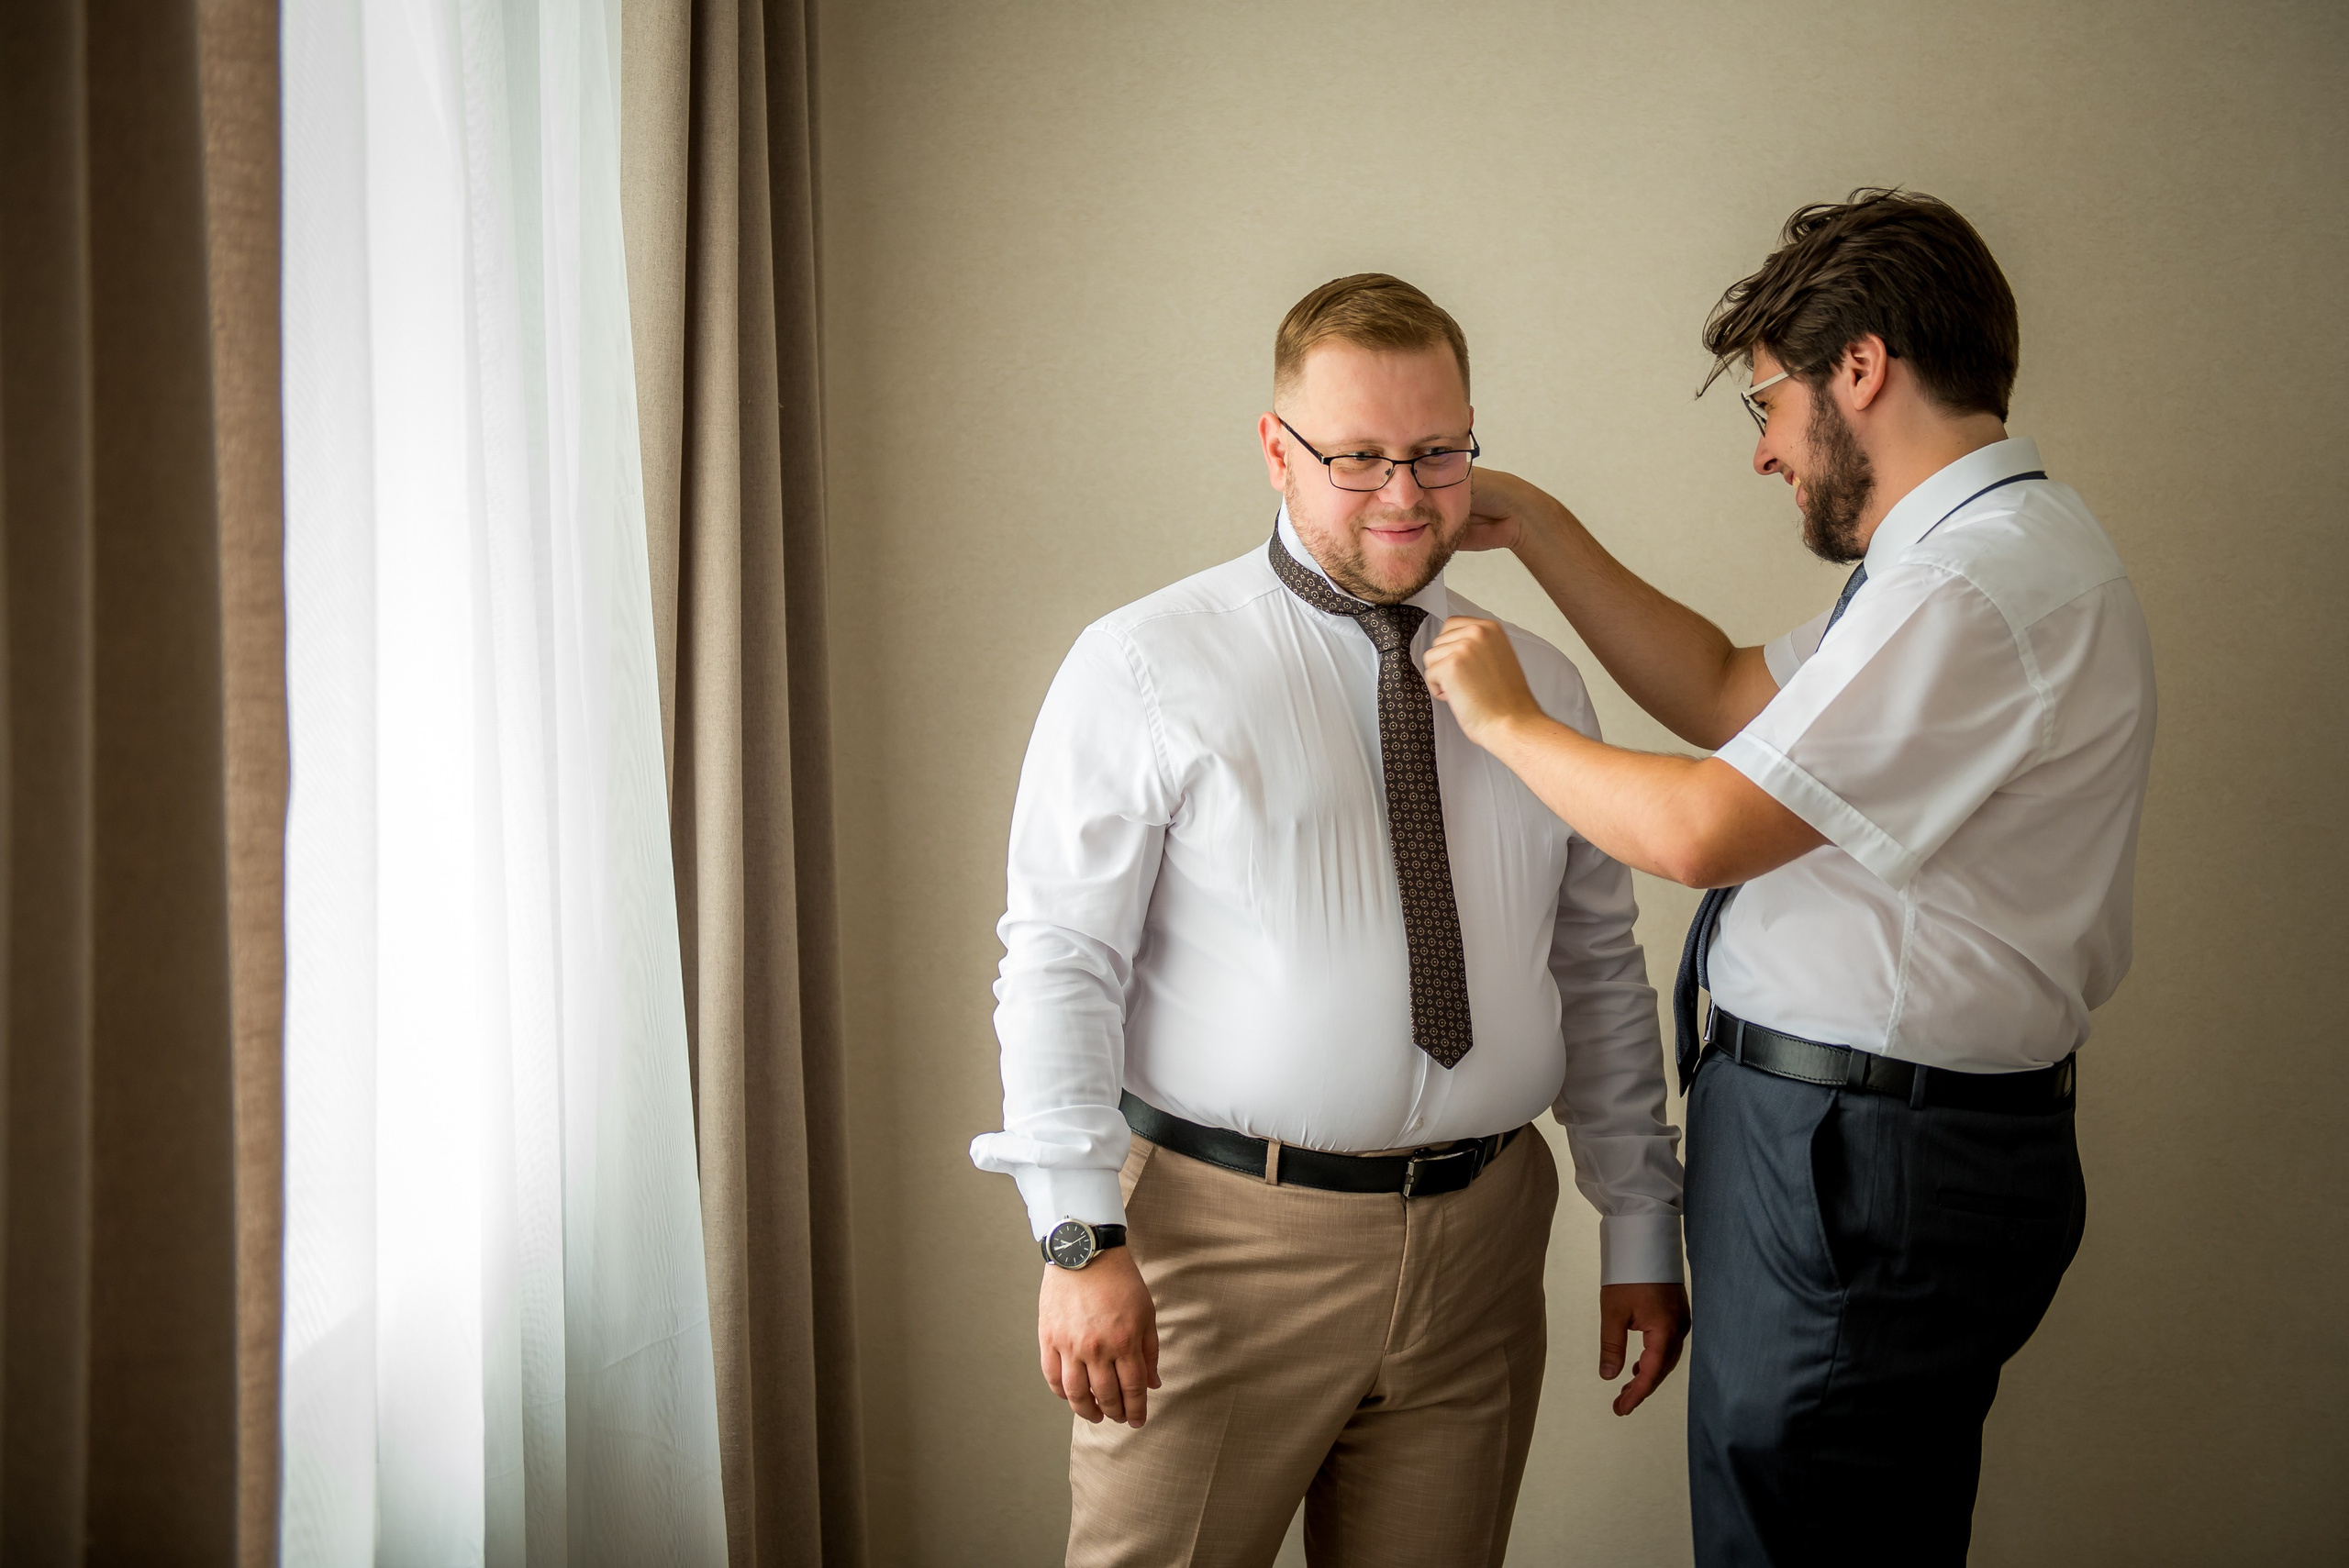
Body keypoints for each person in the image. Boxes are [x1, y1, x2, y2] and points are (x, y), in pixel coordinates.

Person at [1422, 190, 2157, 1565]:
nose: (1765, 453)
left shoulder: (1973, 590)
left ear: (1862, 369)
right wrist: (1531, 524)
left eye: (1766, 401)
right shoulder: (1957, 562)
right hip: (1853, 1157)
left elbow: (1707, 825)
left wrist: (1509, 722)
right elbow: (1723, 691)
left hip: (1861, 1173)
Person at [970, 273, 1689, 1568]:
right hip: (1222, 1246)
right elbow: (1061, 959)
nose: (1407, 495)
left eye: (1439, 452)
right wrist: (1077, 1232)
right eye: (1357, 457)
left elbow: (1594, 964)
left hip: (1482, 1244)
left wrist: (1640, 1216)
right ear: (1275, 450)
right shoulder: (1144, 665)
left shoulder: (1547, 686)